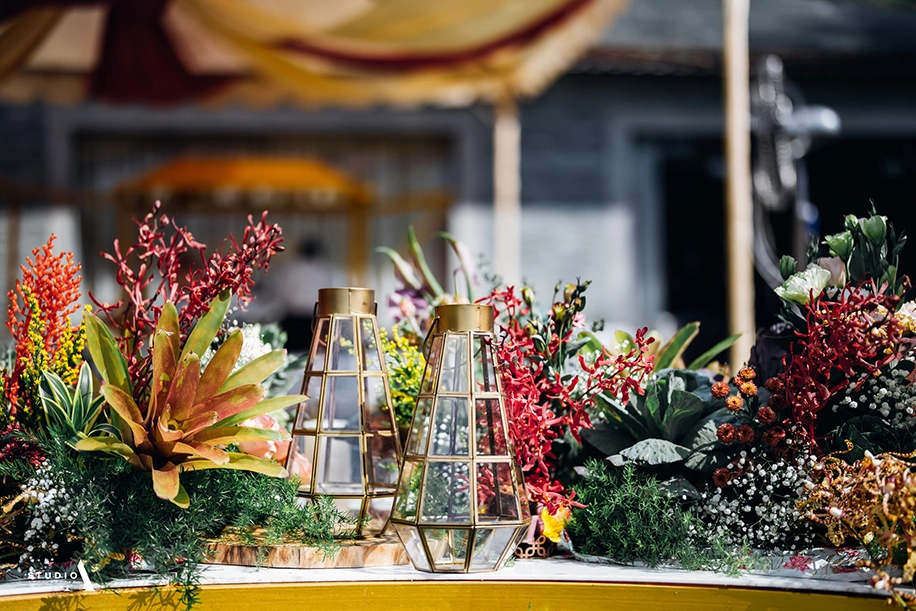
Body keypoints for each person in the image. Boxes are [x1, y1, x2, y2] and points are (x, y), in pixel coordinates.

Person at [277, 239, 333, 352]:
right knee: (312, 356)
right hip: (313, 318)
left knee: (291, 356)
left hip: (293, 319)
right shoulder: (323, 271)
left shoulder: (290, 269)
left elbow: (281, 293)